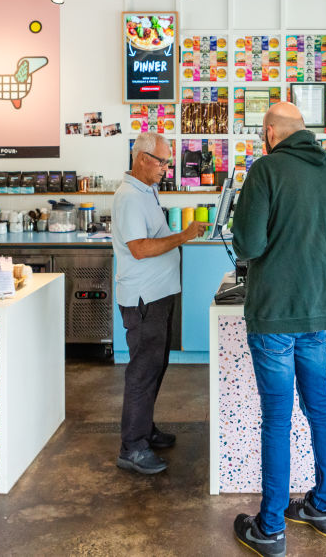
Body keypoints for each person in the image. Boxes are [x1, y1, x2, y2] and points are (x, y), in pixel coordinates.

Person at [231, 103, 326, 557]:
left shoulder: (265, 171)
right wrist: (316, 250)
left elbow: (248, 244)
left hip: (274, 313)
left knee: (277, 417)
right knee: (319, 407)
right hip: (318, 313)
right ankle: (324, 507)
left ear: (270, 133)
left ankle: (270, 528)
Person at [112, 132, 206, 475]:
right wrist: (183, 236)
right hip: (144, 298)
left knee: (156, 366)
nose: (166, 168)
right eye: (161, 161)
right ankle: (132, 447)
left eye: (168, 161)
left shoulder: (147, 191)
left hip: (160, 294)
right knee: (142, 371)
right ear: (141, 158)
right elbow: (139, 248)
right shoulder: (129, 198)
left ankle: (144, 429)